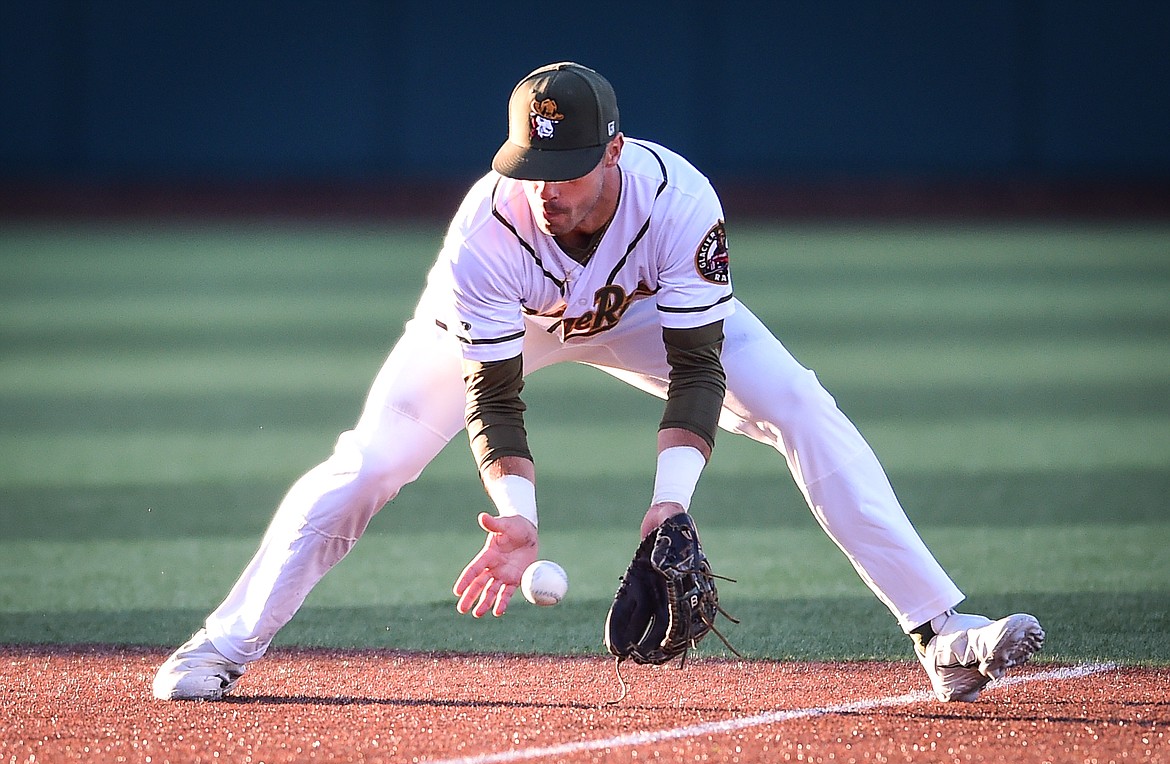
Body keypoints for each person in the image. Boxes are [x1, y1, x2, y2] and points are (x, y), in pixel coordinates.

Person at [153, 62, 1043, 704]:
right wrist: (519, 516)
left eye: (566, 170)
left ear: (615, 149)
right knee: (367, 466)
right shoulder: (488, 229)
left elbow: (700, 367)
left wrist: (669, 505)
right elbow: (494, 396)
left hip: (644, 313)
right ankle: (222, 645)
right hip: (499, 327)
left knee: (802, 405)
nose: (545, 189)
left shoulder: (681, 200)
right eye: (529, 167)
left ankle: (940, 632)